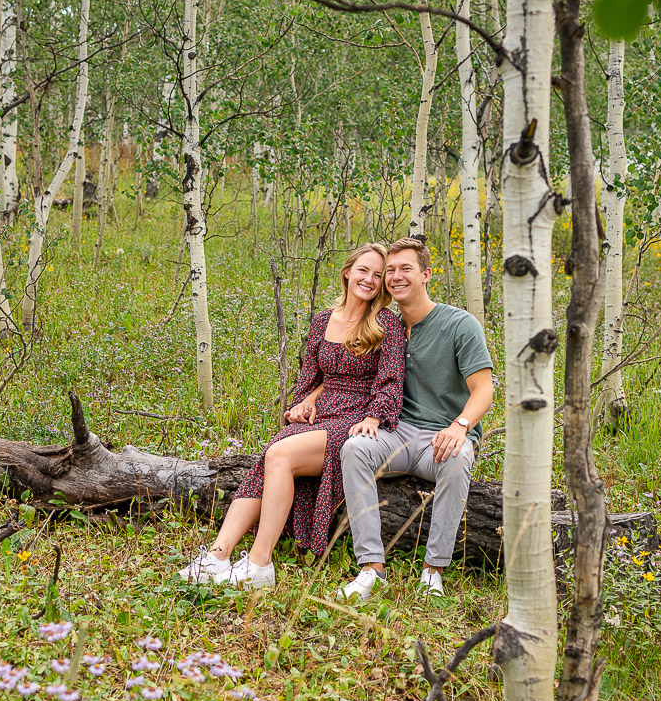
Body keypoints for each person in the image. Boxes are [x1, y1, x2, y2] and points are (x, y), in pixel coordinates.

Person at [178, 243, 406, 588]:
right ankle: (217, 556)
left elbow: (390, 381)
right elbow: (311, 380)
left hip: (357, 419)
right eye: (363, 270)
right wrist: (303, 404)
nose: (370, 279)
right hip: (323, 414)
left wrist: (373, 417)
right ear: (347, 272)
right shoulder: (322, 321)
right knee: (270, 457)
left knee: (280, 453)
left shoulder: (386, 322)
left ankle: (259, 563)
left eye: (378, 275)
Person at [338, 236, 495, 601]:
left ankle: (433, 570)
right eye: (389, 270)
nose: (395, 276)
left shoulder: (459, 324)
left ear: (426, 274)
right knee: (355, 449)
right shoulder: (383, 326)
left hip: (443, 435)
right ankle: (371, 568)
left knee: (457, 459)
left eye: (405, 268)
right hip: (397, 432)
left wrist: (460, 426)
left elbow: (484, 390)